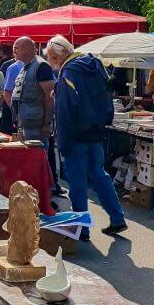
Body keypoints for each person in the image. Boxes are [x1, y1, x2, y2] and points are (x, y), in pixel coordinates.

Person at [46, 35, 127, 236]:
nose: (50, 61)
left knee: (77, 182)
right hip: (96, 131)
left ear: (58, 55)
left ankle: (81, 229)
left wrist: (62, 141)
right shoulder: (93, 64)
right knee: (100, 174)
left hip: (75, 136)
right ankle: (117, 217)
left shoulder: (68, 72)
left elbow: (65, 111)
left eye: (50, 57)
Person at [8, 37, 54, 144]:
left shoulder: (41, 66)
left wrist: (47, 123)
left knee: (37, 156)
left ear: (27, 49)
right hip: (25, 123)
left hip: (36, 126)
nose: (13, 51)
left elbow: (50, 97)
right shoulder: (25, 66)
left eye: (16, 48)